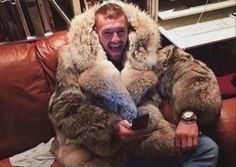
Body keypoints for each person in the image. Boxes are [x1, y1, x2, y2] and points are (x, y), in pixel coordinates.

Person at [49, 1, 221, 167]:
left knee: (207, 149)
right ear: (95, 33)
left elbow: (190, 74)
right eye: (107, 33)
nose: (115, 39)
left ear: (129, 30)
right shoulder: (72, 60)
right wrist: (112, 127)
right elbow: (64, 108)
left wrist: (189, 116)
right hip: (103, 151)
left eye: (120, 31)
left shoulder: (147, 53)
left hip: (147, 140)